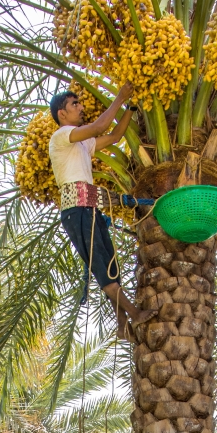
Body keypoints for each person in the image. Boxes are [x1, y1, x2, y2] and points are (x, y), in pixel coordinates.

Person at [48, 84, 144, 335]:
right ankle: (135, 314)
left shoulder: (81, 144)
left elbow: (114, 136)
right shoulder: (62, 136)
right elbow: (101, 127)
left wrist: (131, 107)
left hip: (88, 209)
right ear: (62, 114)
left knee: (110, 265)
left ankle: (123, 324)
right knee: (102, 267)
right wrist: (121, 97)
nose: (81, 108)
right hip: (76, 211)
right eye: (74, 104)